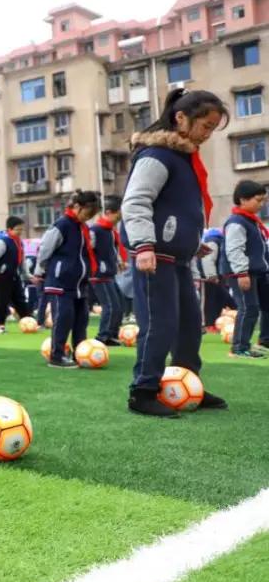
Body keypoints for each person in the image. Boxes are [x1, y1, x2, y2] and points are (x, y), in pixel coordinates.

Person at [122, 88, 229, 416]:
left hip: (178, 258)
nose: (207, 134)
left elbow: (179, 209)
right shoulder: (157, 155)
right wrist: (144, 245)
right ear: (181, 118)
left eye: (212, 128)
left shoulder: (185, 160)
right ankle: (143, 391)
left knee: (188, 324)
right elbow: (136, 200)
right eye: (205, 126)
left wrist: (193, 244)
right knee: (160, 323)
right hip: (154, 257)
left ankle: (187, 382)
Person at [34, 190, 101, 369]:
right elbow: (45, 249)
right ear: (78, 207)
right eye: (88, 214)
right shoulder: (62, 225)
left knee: (81, 320)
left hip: (79, 284)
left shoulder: (84, 228)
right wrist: (41, 271)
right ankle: (57, 356)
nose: (89, 218)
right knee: (63, 318)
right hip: (60, 282)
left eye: (92, 215)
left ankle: (79, 353)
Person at [220, 180, 269, 358]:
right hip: (241, 273)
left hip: (258, 272)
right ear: (243, 199)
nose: (262, 204)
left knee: (265, 305)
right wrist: (242, 273)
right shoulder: (237, 222)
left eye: (264, 200)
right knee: (249, 308)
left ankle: (265, 339)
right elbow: (234, 249)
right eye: (258, 200)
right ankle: (239, 347)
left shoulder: (252, 222)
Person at [89, 196, 127, 346]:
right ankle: (102, 336)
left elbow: (113, 249)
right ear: (110, 212)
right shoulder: (95, 230)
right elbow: (88, 251)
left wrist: (119, 262)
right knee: (110, 306)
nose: (121, 217)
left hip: (110, 274)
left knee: (120, 305)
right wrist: (95, 267)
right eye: (119, 214)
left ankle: (111, 334)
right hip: (98, 275)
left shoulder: (111, 232)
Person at [0, 216, 31, 333]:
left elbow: (22, 260)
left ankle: (28, 322)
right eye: (17, 229)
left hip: (15, 276)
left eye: (21, 229)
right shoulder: (3, 241)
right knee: (2, 301)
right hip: (2, 277)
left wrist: (27, 275)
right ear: (9, 230)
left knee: (21, 300)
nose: (20, 232)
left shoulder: (19, 243)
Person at [197, 227, 230, 332]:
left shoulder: (217, 240)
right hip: (207, 277)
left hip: (215, 276)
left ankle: (213, 323)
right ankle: (204, 324)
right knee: (207, 301)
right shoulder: (214, 241)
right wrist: (211, 275)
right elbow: (208, 259)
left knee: (216, 300)